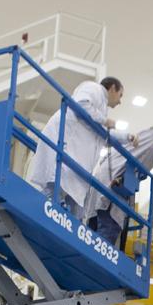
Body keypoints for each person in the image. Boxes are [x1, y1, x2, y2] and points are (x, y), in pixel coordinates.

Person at [29, 76, 127, 219]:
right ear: (112, 88)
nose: (120, 101)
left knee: (71, 208)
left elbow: (103, 135)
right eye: (120, 95)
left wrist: (127, 137)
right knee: (51, 197)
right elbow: (81, 103)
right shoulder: (94, 89)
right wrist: (105, 120)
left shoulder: (100, 108)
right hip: (64, 150)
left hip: (74, 163)